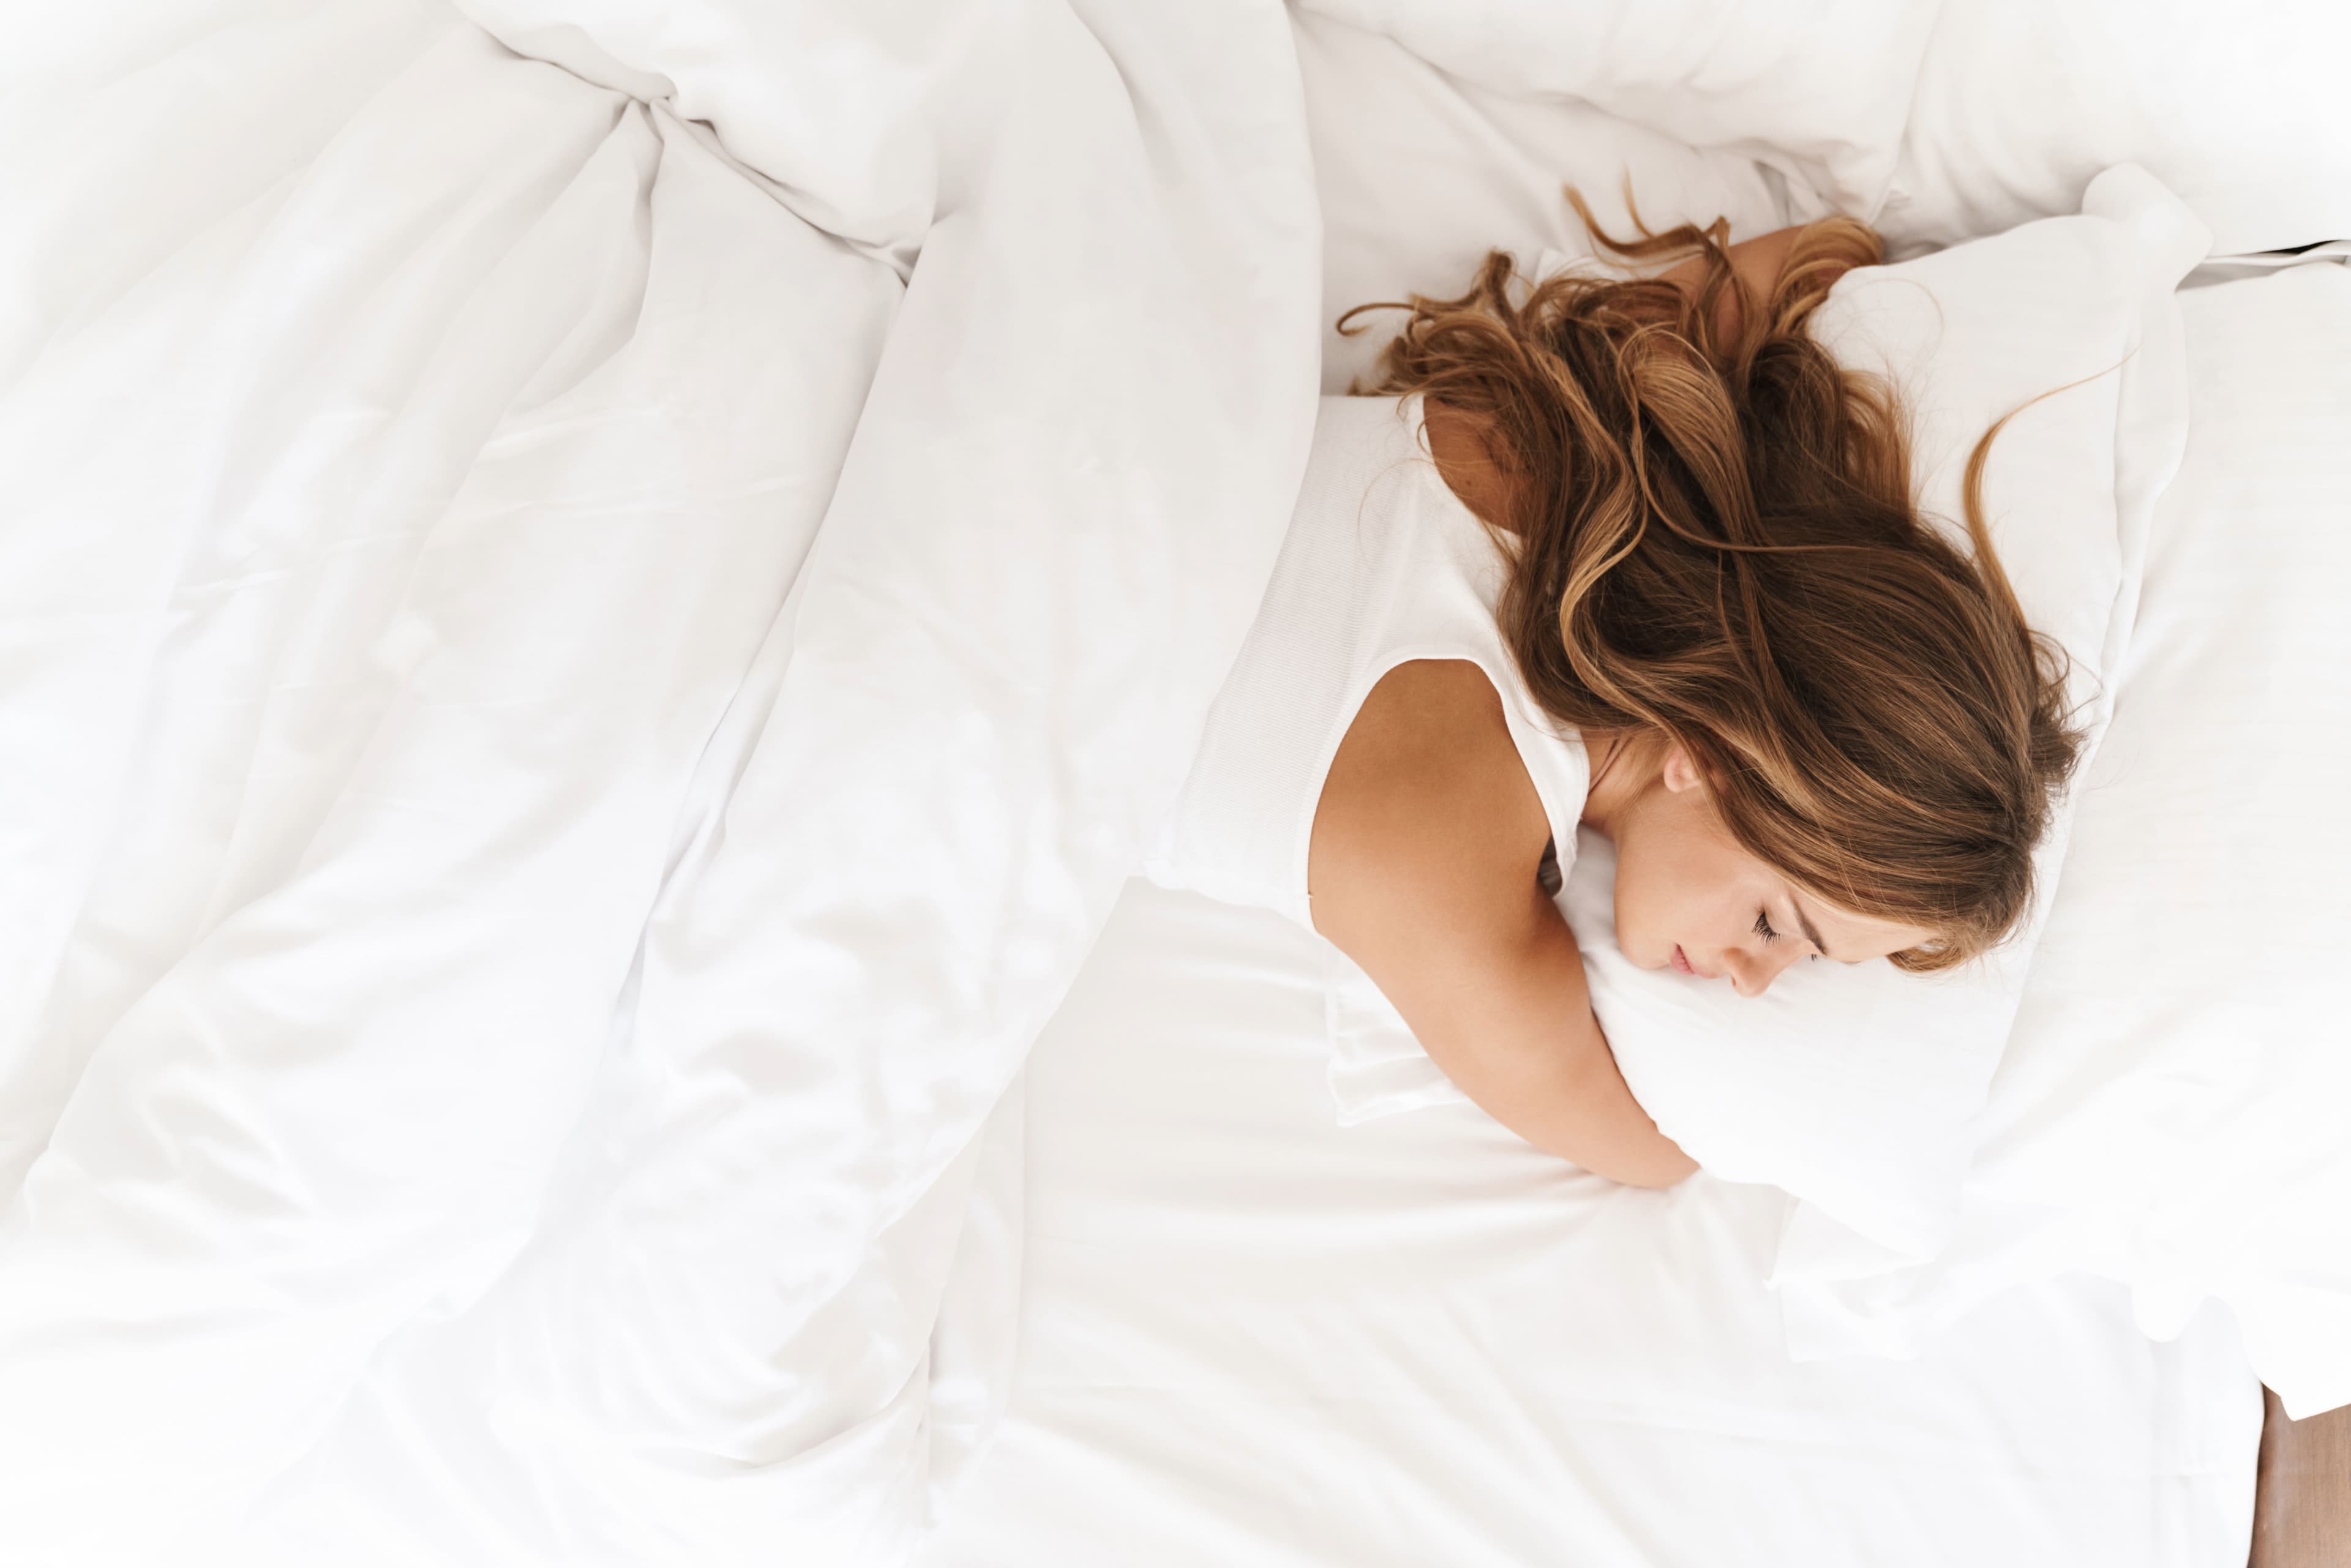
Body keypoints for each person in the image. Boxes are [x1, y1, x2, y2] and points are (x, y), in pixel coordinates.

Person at [1144, 200, 2079, 1190]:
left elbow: (1823, 248)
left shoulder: (1572, 435)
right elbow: (1654, 1158)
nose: (1752, 983)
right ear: (1711, 751)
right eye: (1775, 924)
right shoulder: (1447, 866)